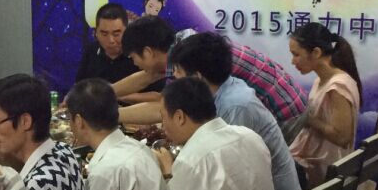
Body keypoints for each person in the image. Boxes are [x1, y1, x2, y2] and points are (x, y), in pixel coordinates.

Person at [170, 32, 301, 190]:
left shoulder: (234, 106)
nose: (175, 77)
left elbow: (228, 174)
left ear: (197, 77)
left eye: (178, 71)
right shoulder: (226, 88)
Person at [114, 16, 307, 127]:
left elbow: (164, 109)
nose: (135, 64)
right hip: (285, 98)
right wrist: (106, 93)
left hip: (285, 112)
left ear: (148, 52)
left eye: (133, 57)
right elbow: (148, 76)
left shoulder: (187, 60)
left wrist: (108, 115)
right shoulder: (182, 44)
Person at [288, 23, 363, 188]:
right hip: (310, 161)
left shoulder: (338, 87)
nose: (293, 61)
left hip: (324, 172)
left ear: (316, 52)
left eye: (296, 54)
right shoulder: (320, 80)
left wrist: (307, 118)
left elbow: (342, 138)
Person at [74, 3, 164, 103]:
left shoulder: (147, 55)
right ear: (96, 33)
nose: (111, 40)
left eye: (116, 34)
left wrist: (107, 97)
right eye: (104, 34)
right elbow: (79, 88)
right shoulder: (91, 50)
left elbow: (159, 98)